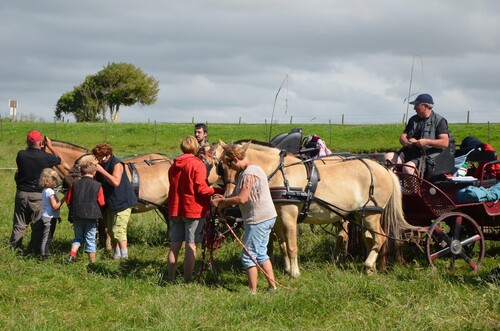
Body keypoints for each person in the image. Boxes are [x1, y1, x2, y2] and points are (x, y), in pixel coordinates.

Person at [211, 143, 278, 294]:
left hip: (258, 220)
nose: (229, 168)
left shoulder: (249, 174)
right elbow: (235, 194)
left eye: (229, 164)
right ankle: (272, 287)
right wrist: (223, 198)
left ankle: (252, 292)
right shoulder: (249, 171)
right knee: (260, 253)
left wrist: (223, 202)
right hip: (266, 217)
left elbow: (241, 198)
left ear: (235, 159)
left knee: (248, 257)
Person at [167, 136, 215, 282]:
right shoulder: (197, 164)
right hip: (193, 209)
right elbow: (201, 189)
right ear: (195, 147)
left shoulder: (173, 165)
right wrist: (215, 191)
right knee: (191, 245)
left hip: (175, 208)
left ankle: (170, 278)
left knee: (174, 245)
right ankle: (188, 280)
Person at [10, 130, 63, 253]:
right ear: (41, 143)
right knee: (37, 224)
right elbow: (59, 159)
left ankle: (15, 248)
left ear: (27, 142)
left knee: (19, 223)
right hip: (38, 195)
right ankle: (33, 249)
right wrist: (50, 146)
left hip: (21, 193)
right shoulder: (47, 157)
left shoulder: (21, 155)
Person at [384, 93, 449, 175]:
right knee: (388, 158)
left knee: (408, 168)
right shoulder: (413, 119)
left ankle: (413, 187)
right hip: (409, 152)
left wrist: (426, 142)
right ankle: (394, 184)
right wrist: (407, 143)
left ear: (425, 106)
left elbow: (445, 142)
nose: (414, 108)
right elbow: (403, 136)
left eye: (416, 105)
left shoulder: (440, 121)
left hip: (426, 155)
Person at [92, 143, 138, 260]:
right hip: (111, 203)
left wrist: (101, 171)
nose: (99, 160)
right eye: (97, 157)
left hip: (123, 201)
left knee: (119, 230)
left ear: (108, 155)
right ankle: (117, 254)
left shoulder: (117, 164)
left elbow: (116, 182)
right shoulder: (101, 164)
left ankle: (125, 257)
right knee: (111, 232)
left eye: (100, 157)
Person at [66, 161, 105, 264]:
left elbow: (68, 200)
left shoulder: (74, 184)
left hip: (77, 215)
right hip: (91, 216)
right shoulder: (98, 185)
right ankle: (92, 262)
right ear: (94, 173)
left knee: (78, 237)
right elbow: (101, 202)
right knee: (90, 238)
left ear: (81, 172)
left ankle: (72, 254)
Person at [37, 168, 66, 258]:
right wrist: (65, 197)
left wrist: (57, 216)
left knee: (48, 237)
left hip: (49, 216)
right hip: (49, 218)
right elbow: (55, 206)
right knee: (47, 238)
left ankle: (45, 253)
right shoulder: (50, 191)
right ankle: (44, 256)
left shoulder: (46, 190)